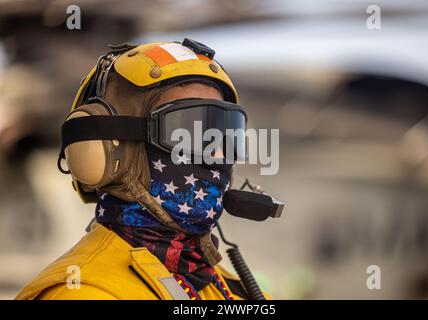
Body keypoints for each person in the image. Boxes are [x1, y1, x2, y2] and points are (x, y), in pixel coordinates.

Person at [16, 39, 270, 300]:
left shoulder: (235, 291)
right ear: (107, 149)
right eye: (191, 134)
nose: (218, 154)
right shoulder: (84, 292)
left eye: (226, 135)